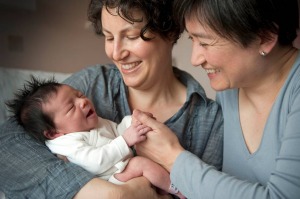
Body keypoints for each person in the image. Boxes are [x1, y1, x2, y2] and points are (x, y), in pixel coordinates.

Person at [0, 0, 223, 198]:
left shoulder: (209, 120)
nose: (116, 53)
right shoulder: (94, 81)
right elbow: (7, 143)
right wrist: (101, 193)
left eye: (132, 36)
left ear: (171, 32)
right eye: (109, 37)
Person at [132, 0, 300, 198]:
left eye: (204, 42)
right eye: (192, 40)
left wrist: (172, 157)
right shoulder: (230, 89)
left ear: (265, 36)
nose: (195, 59)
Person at [6, 76, 185, 199]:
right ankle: (178, 190)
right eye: (71, 108)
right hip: (109, 180)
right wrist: (126, 140)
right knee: (140, 164)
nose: (82, 102)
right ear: (54, 132)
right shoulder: (67, 143)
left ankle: (165, 189)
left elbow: (116, 130)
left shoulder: (92, 122)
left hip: (120, 168)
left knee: (148, 153)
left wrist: (133, 122)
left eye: (79, 95)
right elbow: (95, 162)